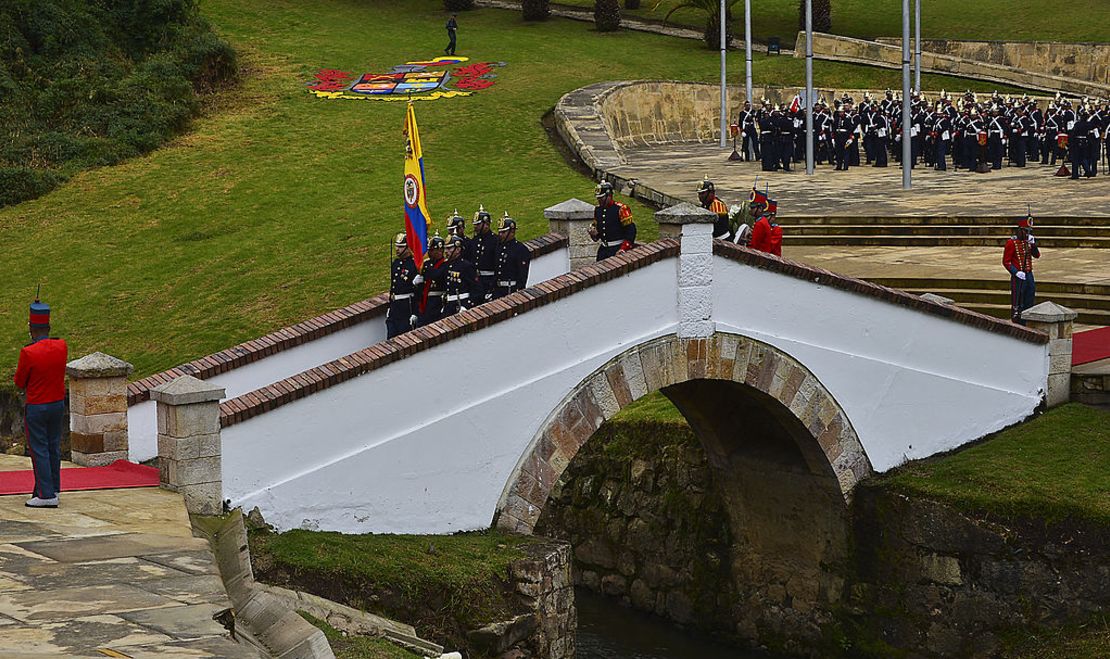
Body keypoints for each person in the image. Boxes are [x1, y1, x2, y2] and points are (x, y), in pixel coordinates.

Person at [13, 293, 68, 508]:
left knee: (39, 449)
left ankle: (46, 494)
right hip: (57, 403)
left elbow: (19, 381)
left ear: (31, 328)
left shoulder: (28, 352)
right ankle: (53, 487)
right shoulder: (61, 346)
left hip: (37, 406)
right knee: (54, 446)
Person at [1002, 215, 1040, 325]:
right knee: (1018, 300)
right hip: (1019, 276)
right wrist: (1016, 272)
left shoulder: (1028, 242)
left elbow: (1037, 255)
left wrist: (1033, 245)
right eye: (1026, 231)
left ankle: (1027, 319)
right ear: (1020, 231)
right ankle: (1018, 321)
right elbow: (1006, 261)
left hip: (1028, 274)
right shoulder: (1011, 243)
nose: (1028, 234)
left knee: (1030, 296)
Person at [589, 181, 635, 261]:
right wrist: (594, 234)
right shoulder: (598, 210)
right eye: (598, 198)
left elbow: (630, 231)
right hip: (603, 251)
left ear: (609, 196)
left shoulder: (621, 209)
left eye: (601, 198)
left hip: (617, 249)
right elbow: (601, 232)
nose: (599, 201)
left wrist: (623, 248)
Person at [386, 233, 419, 338]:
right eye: (396, 246)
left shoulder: (413, 265)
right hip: (395, 307)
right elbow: (393, 286)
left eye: (400, 246)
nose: (397, 249)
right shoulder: (396, 264)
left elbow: (418, 292)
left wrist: (415, 312)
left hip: (406, 307)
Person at [442, 235, 483, 315]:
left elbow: (477, 290)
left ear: (458, 249)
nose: (446, 251)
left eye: (449, 248)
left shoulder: (466, 266)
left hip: (461, 304)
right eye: (445, 248)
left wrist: (467, 306)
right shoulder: (447, 265)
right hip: (449, 306)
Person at [493, 213, 531, 299]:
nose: (500, 235)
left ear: (512, 232)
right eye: (499, 232)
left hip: (511, 289)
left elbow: (522, 275)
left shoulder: (520, 249)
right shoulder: (499, 247)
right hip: (498, 290)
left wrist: (517, 292)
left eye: (503, 232)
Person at [416, 235, 448, 327]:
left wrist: (425, 269)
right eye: (430, 250)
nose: (430, 253)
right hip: (424, 301)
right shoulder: (426, 263)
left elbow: (437, 275)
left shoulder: (445, 264)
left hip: (437, 302)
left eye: (432, 250)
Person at [467, 205, 498, 299]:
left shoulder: (495, 241)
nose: (475, 227)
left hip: (489, 281)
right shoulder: (474, 240)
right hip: (476, 282)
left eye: (478, 224)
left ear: (486, 224)